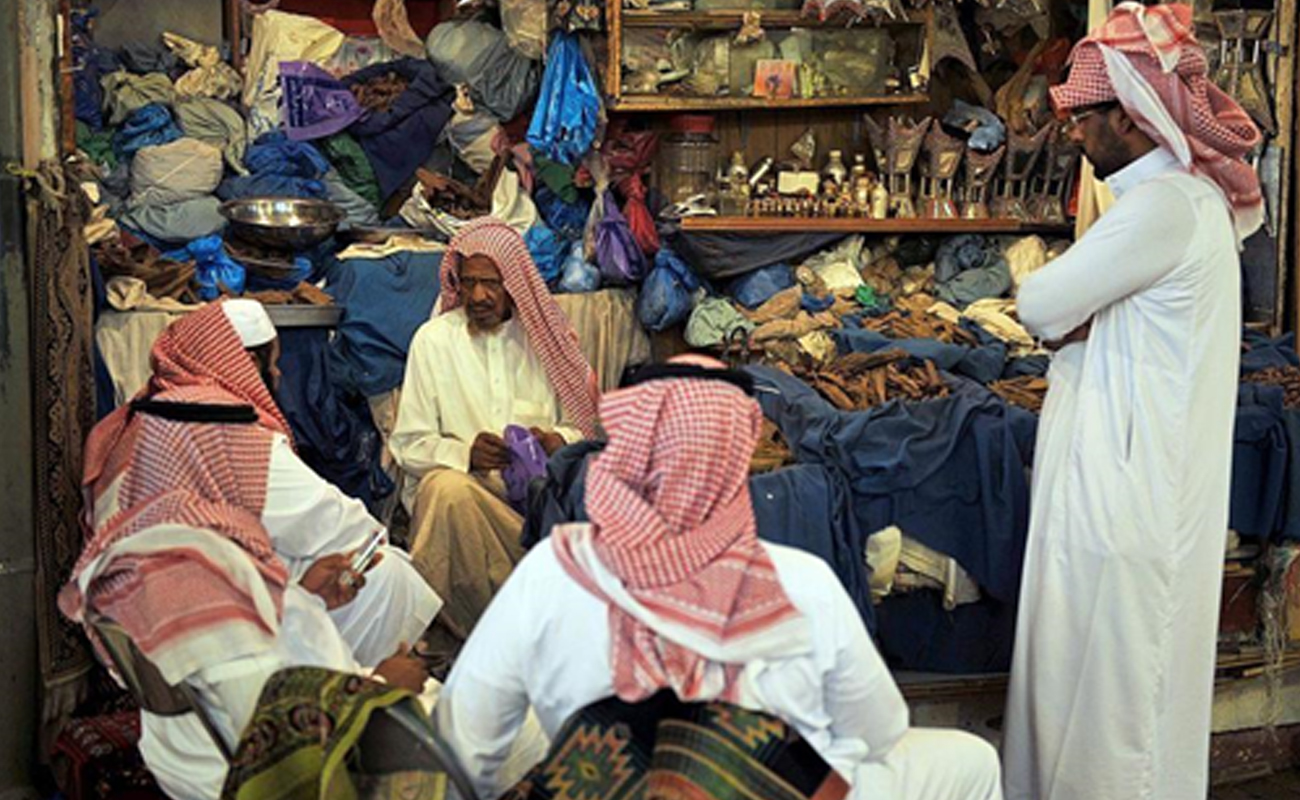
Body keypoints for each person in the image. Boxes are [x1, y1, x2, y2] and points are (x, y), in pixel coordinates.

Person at [434, 356, 1004, 800]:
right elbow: (876, 731)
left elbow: (463, 742)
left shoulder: (551, 569)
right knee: (970, 761)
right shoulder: (802, 581)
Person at [1001, 5, 1263, 800]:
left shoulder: (1166, 207)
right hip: (1120, 483)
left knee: (1118, 704)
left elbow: (1039, 304)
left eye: (1085, 115)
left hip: (1128, 496)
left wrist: (1054, 302)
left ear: (1130, 114)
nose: (1072, 130)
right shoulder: (1167, 205)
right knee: (1088, 686)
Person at [67, 299, 442, 799]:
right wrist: (382, 686)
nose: (279, 373)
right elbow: (283, 730)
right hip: (267, 760)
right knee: (392, 579)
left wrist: (301, 596)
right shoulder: (225, 434)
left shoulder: (145, 430)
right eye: (272, 362)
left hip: (162, 664)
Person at [390, 217, 599, 659]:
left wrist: (554, 441)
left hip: (536, 510)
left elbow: (585, 429)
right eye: (469, 283)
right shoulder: (433, 341)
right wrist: (464, 454)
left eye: (491, 283)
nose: (478, 296)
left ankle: (501, 646)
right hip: (466, 497)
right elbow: (408, 443)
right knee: (446, 490)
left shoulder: (546, 341)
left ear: (514, 285)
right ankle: (462, 639)